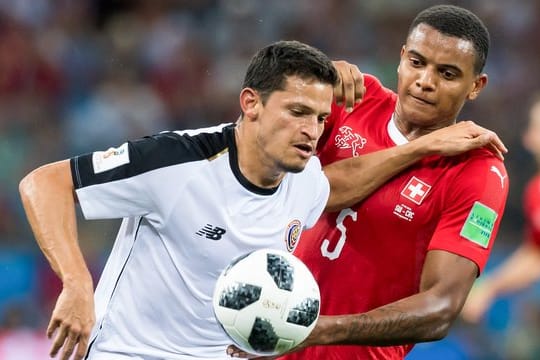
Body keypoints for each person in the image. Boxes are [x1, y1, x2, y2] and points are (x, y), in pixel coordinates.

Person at [19, 40, 504, 360]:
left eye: (319, 117)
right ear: (251, 103)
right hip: (125, 352)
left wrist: (420, 147)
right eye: (296, 112)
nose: (313, 131)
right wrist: (77, 283)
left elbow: (341, 184)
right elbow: (44, 183)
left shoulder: (302, 178)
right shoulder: (178, 160)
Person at [231, 4, 508, 360]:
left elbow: (440, 309)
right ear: (401, 57)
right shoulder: (353, 101)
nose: (426, 81)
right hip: (257, 334)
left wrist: (314, 330)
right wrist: (310, 84)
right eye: (418, 62)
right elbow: (266, 171)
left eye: (448, 73)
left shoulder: (479, 173)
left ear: (476, 86)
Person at [461, 94, 540, 324]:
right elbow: (535, 256)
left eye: (536, 128)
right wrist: (490, 287)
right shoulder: (535, 192)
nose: (530, 137)